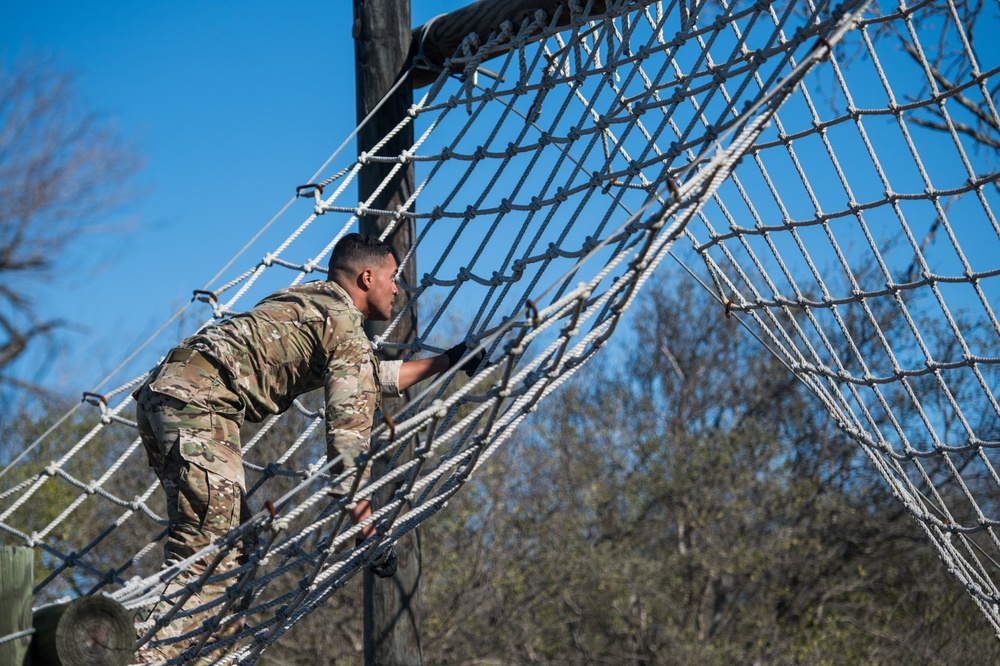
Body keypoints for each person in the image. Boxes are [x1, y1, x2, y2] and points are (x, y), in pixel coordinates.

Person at [132, 233, 482, 663]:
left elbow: (369, 377)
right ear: (367, 278)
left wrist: (449, 360)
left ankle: (198, 656)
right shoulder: (347, 330)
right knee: (208, 551)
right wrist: (368, 533)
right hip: (200, 401)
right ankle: (142, 656)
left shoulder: (310, 299)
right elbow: (347, 449)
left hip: (165, 394)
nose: (397, 289)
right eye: (392, 278)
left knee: (237, 549)